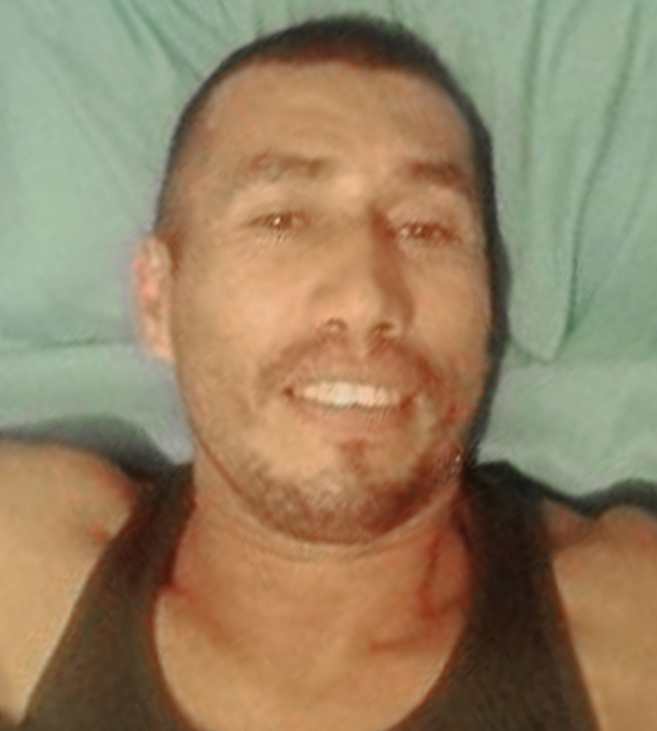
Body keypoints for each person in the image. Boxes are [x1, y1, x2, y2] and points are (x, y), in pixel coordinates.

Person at [0, 15, 655, 731]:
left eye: (426, 229)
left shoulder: (631, 628)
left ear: (490, 306)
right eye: (282, 220)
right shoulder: (25, 566)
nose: (366, 297)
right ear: (157, 300)